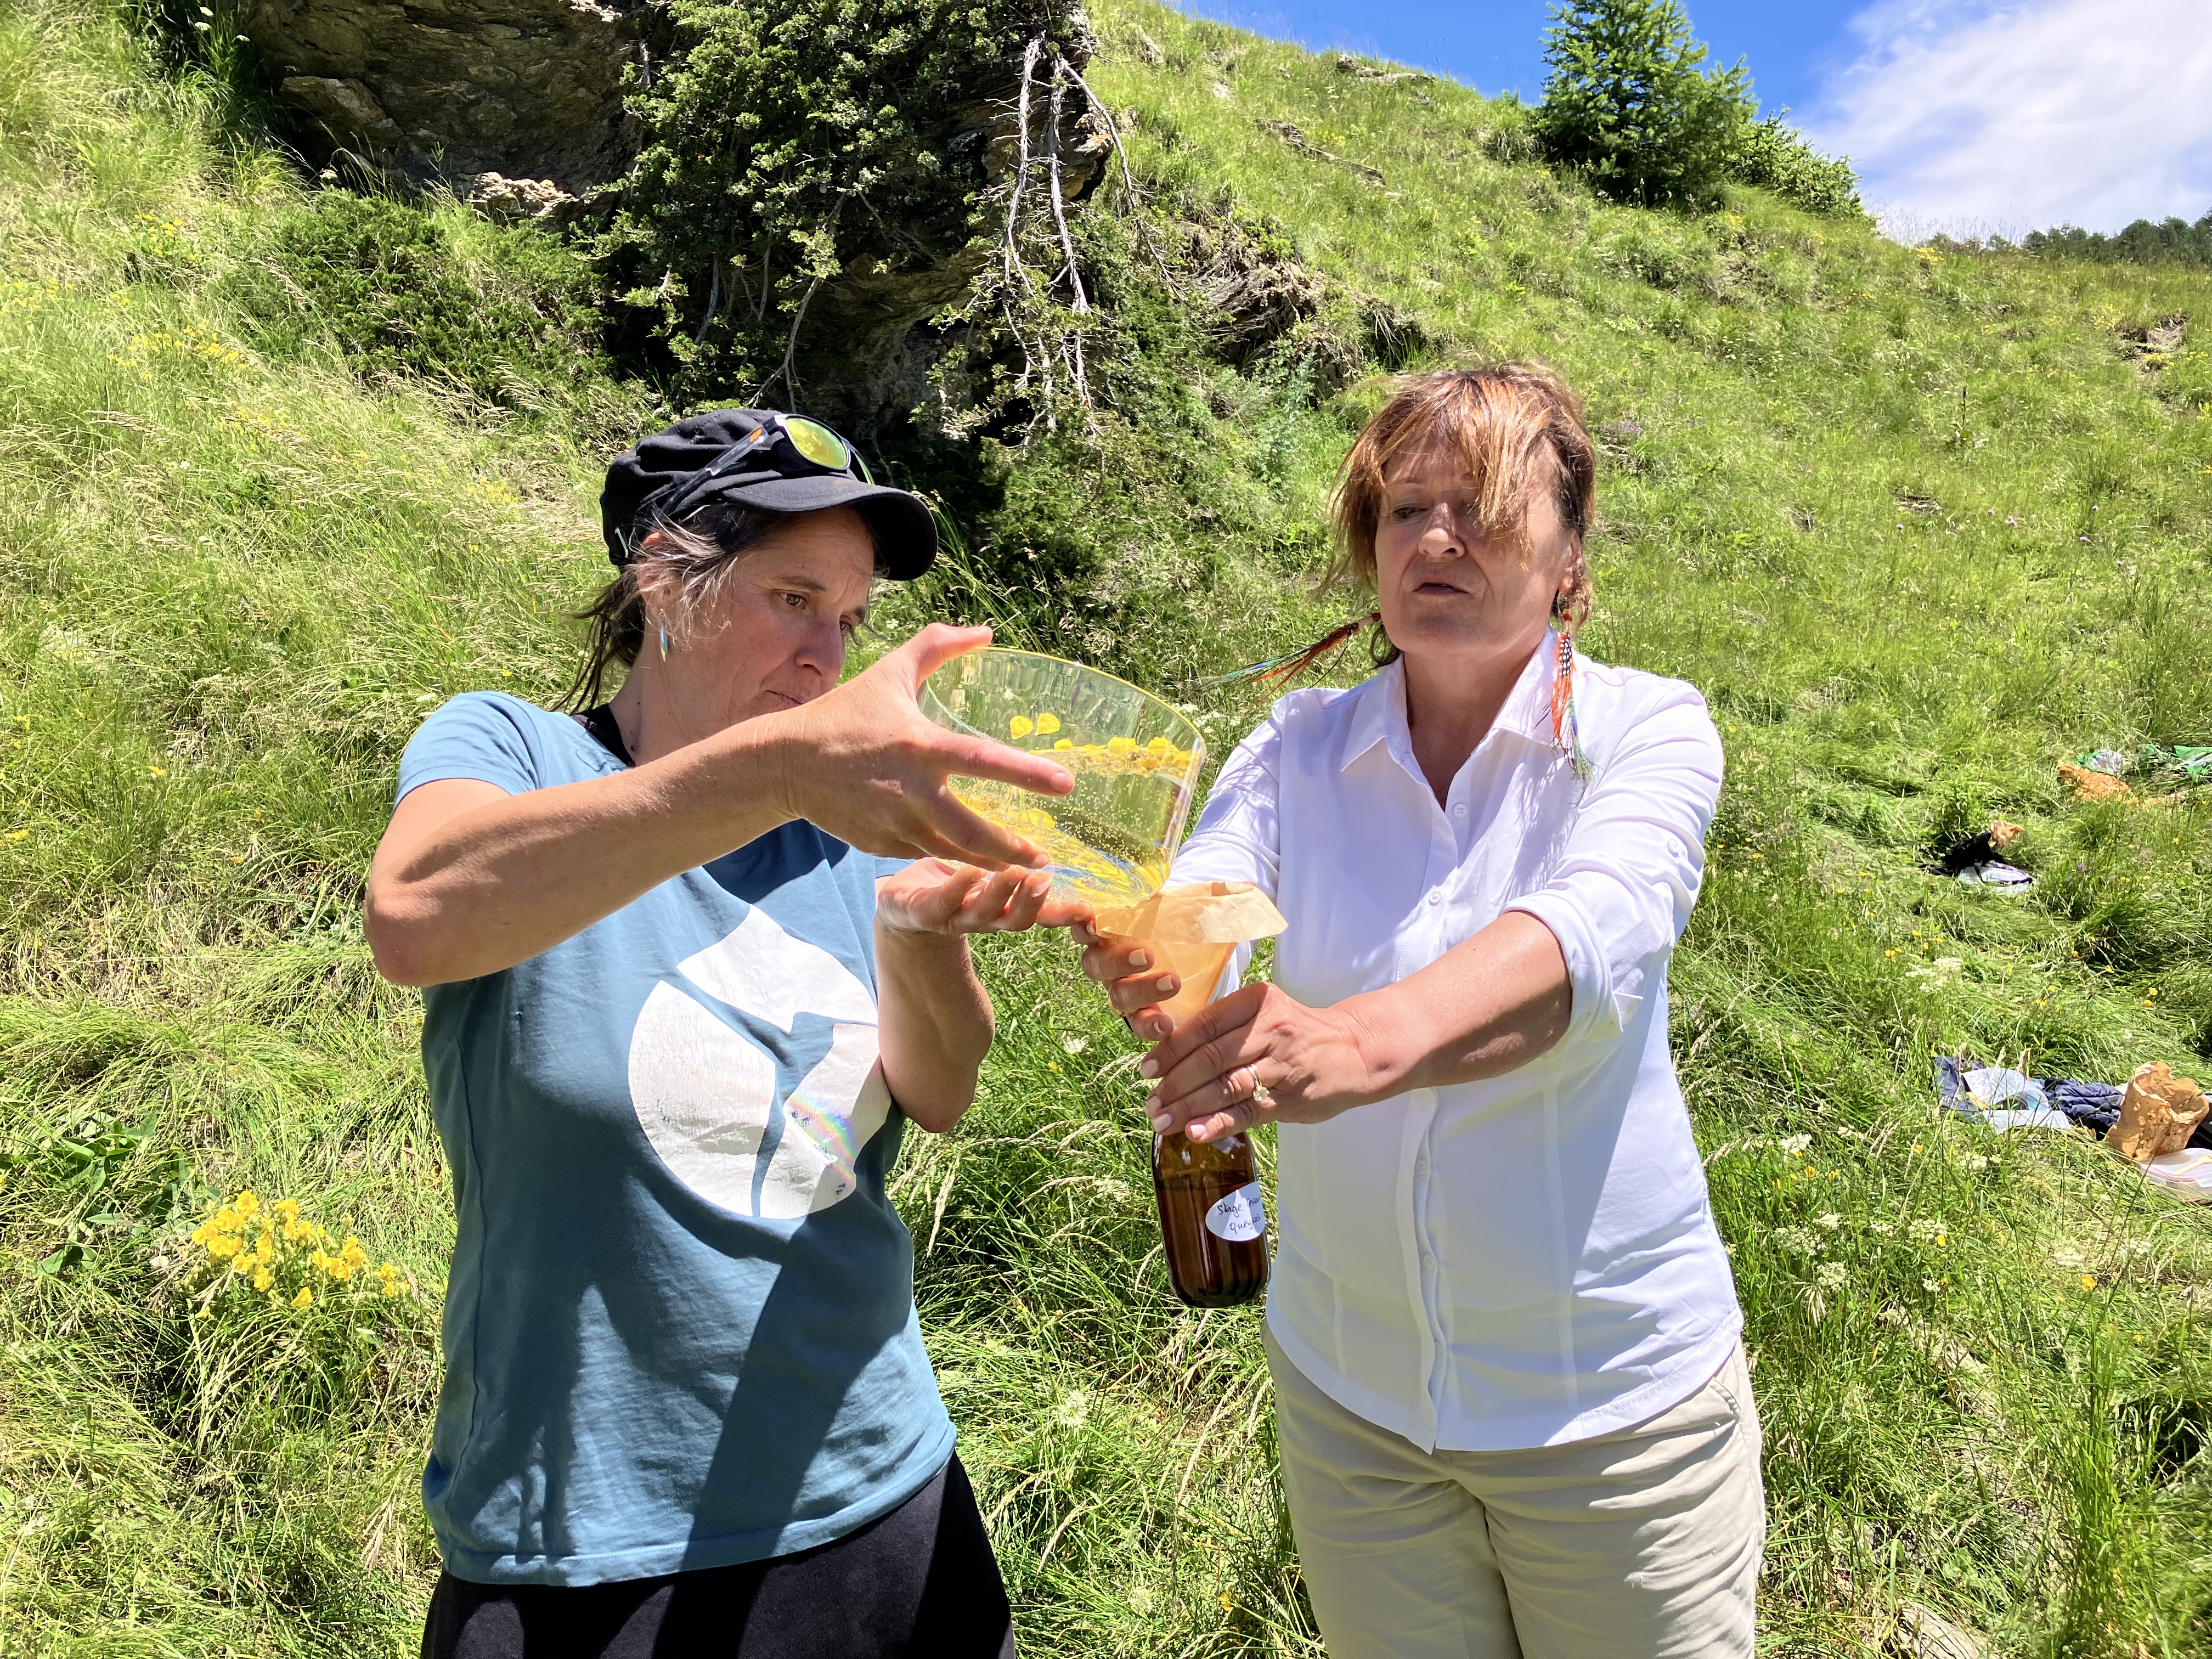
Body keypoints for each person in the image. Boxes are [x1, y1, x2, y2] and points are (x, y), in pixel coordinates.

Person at [367, 409, 1081, 1659]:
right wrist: (781, 773)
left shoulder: (849, 818)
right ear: (660, 574)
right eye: (795, 596)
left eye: (849, 620)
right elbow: (416, 918)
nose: (826, 655)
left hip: (882, 1487)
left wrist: (918, 936)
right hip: (592, 1540)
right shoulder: (512, 753)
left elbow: (941, 1090)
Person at [1078, 366, 1761, 1657]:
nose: (1437, 539)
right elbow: (1212, 906)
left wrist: (1356, 1039)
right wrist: (1120, 919)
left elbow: (1589, 935)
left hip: (1610, 1414)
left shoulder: (1643, 730)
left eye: (1484, 509)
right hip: (1355, 1405)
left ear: (1571, 559)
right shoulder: (1293, 746)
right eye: (1406, 511)